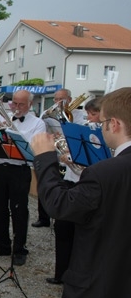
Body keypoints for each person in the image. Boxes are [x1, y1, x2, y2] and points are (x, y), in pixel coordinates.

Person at [30, 87, 131, 298]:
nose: (101, 128)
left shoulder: (104, 172)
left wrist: (45, 158)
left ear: (115, 124)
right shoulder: (105, 172)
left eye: (103, 122)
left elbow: (59, 205)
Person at [0, 89, 46, 266]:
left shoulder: (38, 123)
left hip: (19, 169)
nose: (16, 107)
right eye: (14, 103)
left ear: (30, 105)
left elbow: (33, 147)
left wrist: (12, 130)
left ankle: (19, 249)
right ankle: (2, 245)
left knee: (19, 210)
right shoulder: (0, 117)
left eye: (21, 104)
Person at [45, 97, 101, 285]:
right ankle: (61, 273)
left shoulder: (101, 136)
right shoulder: (80, 130)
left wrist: (72, 159)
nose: (89, 118)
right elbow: (67, 154)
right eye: (88, 114)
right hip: (70, 181)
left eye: (93, 114)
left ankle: (79, 275)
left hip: (86, 185)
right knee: (62, 229)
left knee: (82, 234)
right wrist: (64, 154)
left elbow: (96, 163)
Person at [32, 88, 73, 228]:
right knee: (46, 184)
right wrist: (51, 137)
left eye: (61, 99)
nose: (57, 102)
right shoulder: (47, 114)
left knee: (63, 187)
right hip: (54, 154)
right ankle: (43, 218)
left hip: (69, 158)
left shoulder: (77, 115)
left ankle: (61, 218)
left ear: (69, 100)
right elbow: (42, 132)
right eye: (56, 99)